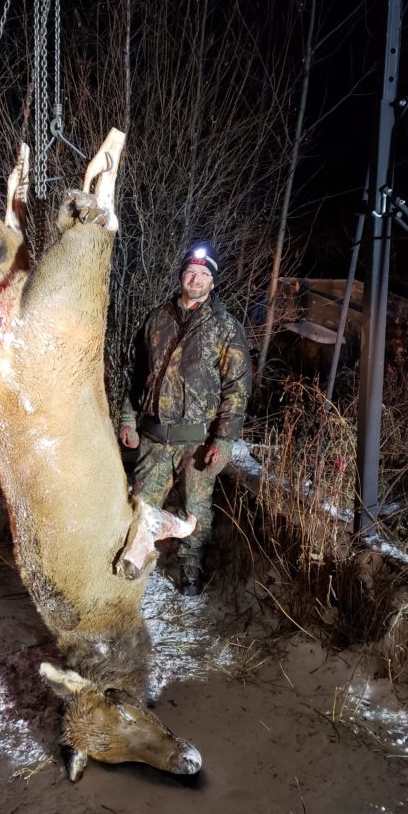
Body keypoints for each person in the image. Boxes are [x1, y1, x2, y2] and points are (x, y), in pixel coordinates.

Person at [119, 241, 252, 593]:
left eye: (203, 274)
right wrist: (128, 419)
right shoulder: (157, 319)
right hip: (153, 435)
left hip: (198, 440)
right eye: (190, 272)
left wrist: (223, 441)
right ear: (181, 277)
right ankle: (136, 562)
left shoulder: (225, 326)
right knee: (141, 507)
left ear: (212, 281)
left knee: (196, 509)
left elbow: (237, 388)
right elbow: (138, 374)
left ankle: (190, 564)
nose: (195, 279)